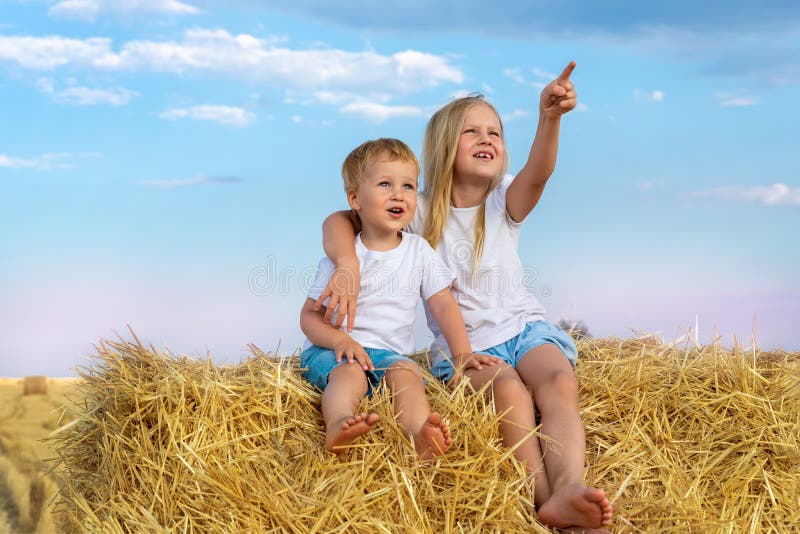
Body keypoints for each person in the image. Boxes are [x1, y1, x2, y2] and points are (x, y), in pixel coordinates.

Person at [316, 63, 613, 530]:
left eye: (494, 131)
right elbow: (339, 219)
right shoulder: (415, 208)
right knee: (509, 389)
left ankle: (570, 484)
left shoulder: (504, 202)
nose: (486, 138)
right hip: (464, 352)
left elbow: (540, 172)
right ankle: (545, 499)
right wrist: (348, 265)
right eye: (471, 131)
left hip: (523, 327)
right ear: (444, 148)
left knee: (557, 381)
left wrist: (549, 118)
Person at [300, 138, 500, 460]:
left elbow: (443, 303)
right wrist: (339, 340)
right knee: (350, 375)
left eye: (408, 186)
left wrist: (462, 353)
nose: (398, 194)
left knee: (408, 377)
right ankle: (338, 423)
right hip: (336, 353)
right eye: (384, 184)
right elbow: (309, 316)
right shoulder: (343, 261)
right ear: (355, 199)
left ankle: (418, 434)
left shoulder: (418, 250)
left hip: (391, 356)